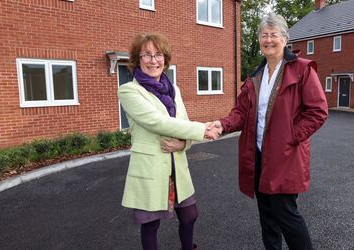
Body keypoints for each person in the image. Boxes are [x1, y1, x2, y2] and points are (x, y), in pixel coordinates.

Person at [208, 14, 328, 250]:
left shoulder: (302, 70)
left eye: (274, 35)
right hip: (258, 156)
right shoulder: (256, 76)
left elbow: (318, 111)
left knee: (286, 215)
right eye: (264, 35)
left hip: (285, 156)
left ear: (285, 39)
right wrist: (222, 125)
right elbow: (241, 112)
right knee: (267, 217)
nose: (269, 40)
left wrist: (290, 137)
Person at [118, 33, 219, 250]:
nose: (153, 60)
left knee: (190, 215)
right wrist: (202, 129)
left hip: (177, 165)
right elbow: (157, 122)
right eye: (147, 55)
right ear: (138, 59)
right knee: (151, 224)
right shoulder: (129, 91)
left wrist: (184, 144)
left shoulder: (175, 90)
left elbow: (181, 124)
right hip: (151, 167)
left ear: (165, 59)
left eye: (158, 54)